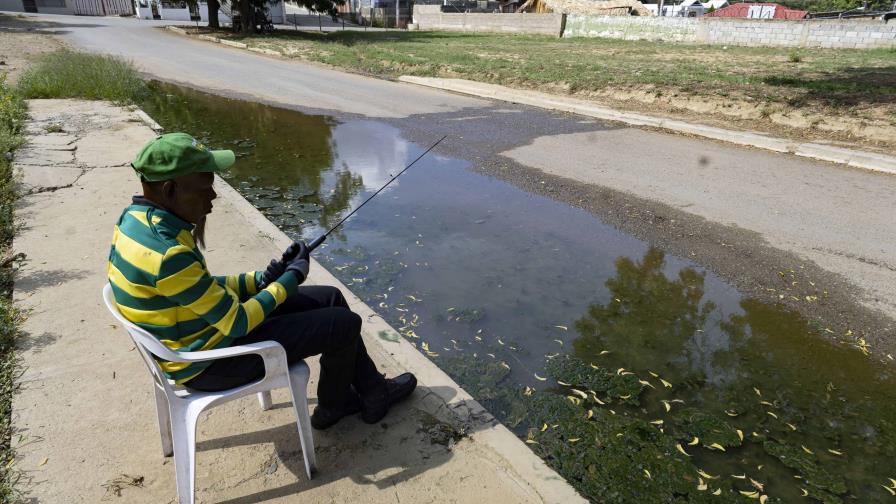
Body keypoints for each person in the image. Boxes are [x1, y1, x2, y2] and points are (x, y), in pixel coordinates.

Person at [107, 132, 416, 430]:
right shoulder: (168, 253)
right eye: (204, 187)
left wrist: (267, 276)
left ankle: (373, 392)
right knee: (343, 324)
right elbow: (237, 322)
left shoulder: (135, 220)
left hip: (199, 333)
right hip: (210, 364)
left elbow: (200, 288)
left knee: (331, 297)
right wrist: (291, 278)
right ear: (169, 189)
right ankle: (334, 407)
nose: (213, 195)